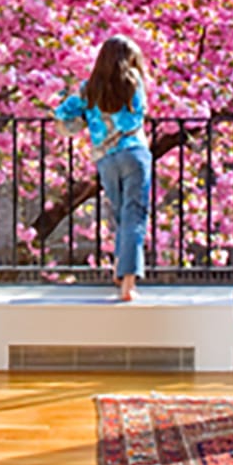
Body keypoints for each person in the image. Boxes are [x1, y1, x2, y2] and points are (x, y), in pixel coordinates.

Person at [55, 36, 151, 301]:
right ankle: (128, 285)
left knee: (120, 215)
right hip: (134, 152)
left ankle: (120, 272)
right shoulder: (132, 80)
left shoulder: (90, 89)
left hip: (106, 158)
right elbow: (139, 113)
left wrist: (85, 118)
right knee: (134, 216)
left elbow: (62, 112)